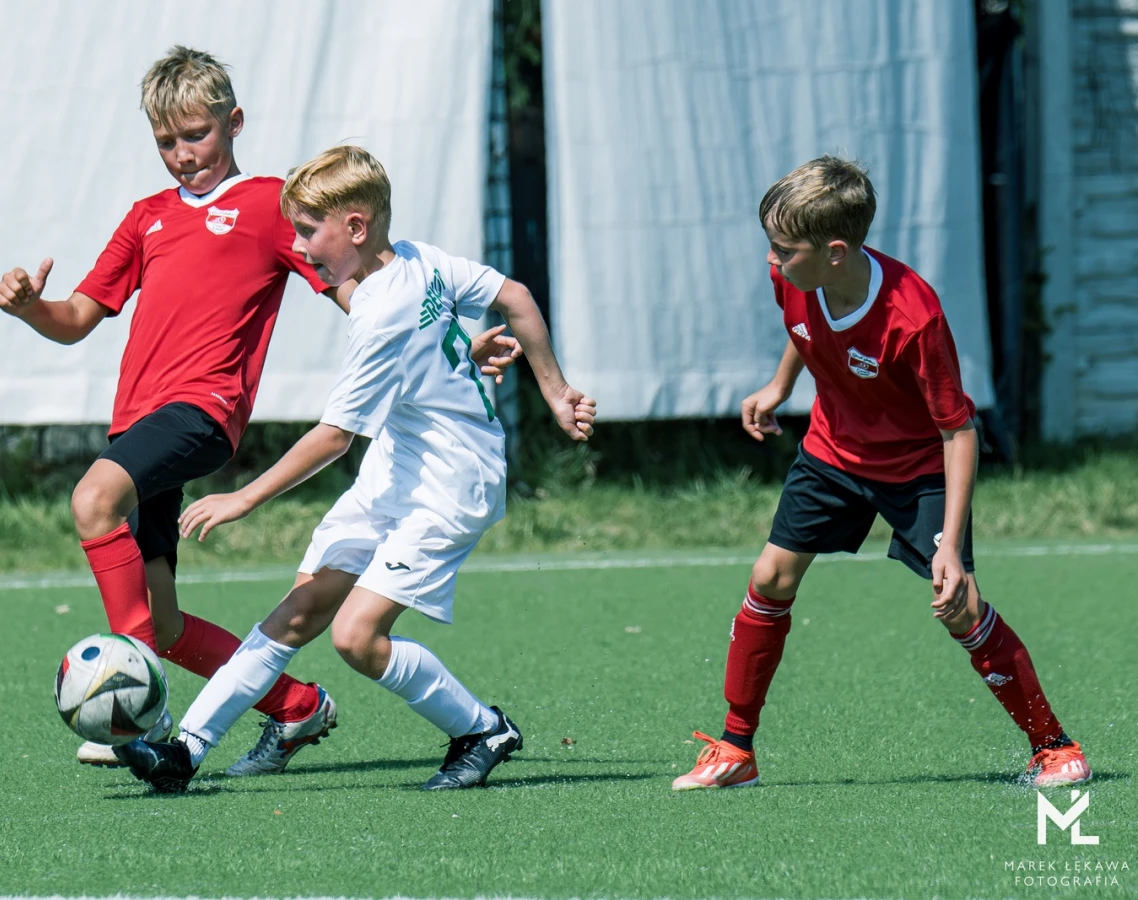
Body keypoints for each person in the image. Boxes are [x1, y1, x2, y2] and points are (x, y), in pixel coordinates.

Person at [0, 47, 517, 772]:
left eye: (196, 135)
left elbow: (362, 292)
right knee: (163, 622)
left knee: (92, 499)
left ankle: (141, 712)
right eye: (166, 142)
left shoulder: (270, 205)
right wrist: (30, 308)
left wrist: (448, 349)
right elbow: (77, 317)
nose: (183, 154)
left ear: (233, 123)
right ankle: (297, 706)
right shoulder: (145, 218)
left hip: (202, 411)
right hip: (137, 425)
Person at [113, 145, 596, 793]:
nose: (299, 245)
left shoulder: (379, 315)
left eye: (309, 230)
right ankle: (186, 750)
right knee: (297, 612)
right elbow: (516, 297)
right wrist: (552, 390)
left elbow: (336, 437)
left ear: (357, 227)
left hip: (450, 485)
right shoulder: (419, 259)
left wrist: (243, 498)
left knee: (357, 637)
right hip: (397, 471)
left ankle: (482, 729)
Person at [673, 156, 1091, 792]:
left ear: (835, 252)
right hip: (834, 450)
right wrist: (780, 385)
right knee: (770, 577)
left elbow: (959, 431)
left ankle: (1054, 747)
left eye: (783, 249)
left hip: (919, 466)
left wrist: (950, 546)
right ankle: (735, 748)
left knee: (959, 605)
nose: (771, 261)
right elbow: (805, 326)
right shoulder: (794, 276)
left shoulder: (914, 316)